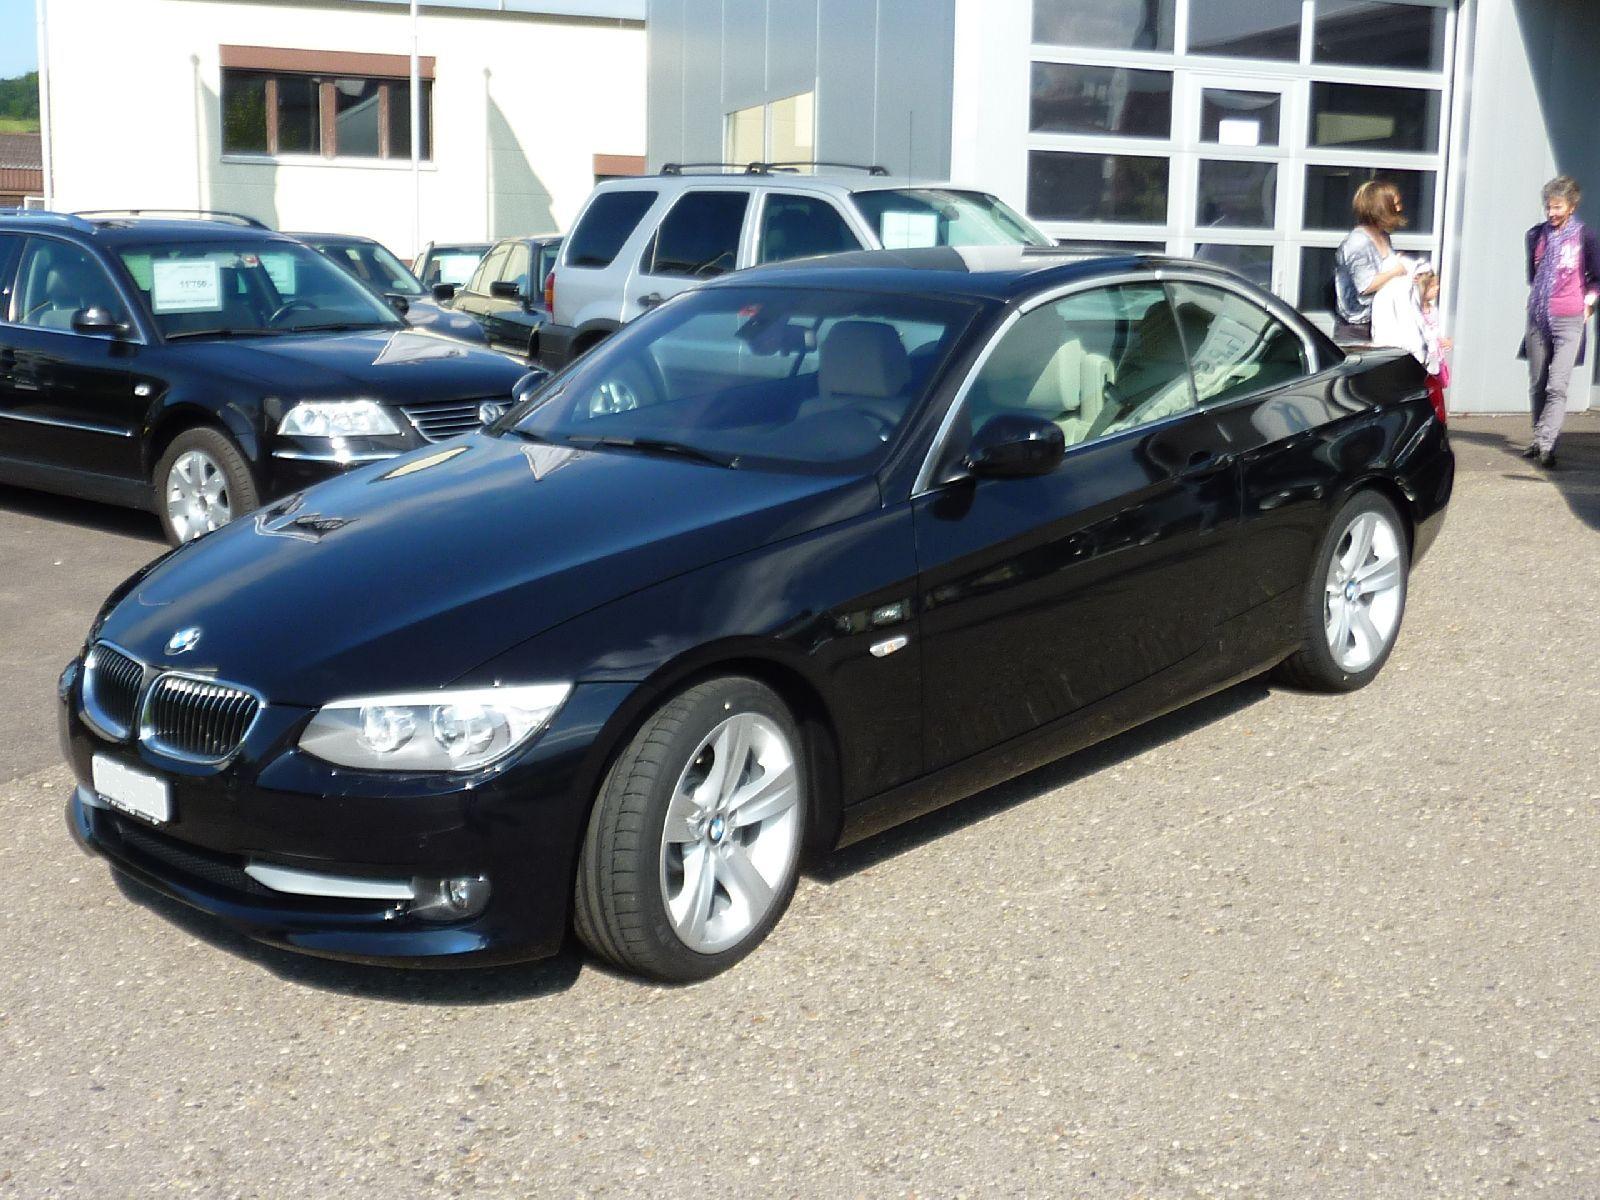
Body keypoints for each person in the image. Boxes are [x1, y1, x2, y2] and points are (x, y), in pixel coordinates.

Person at [1523, 175, 1600, 470]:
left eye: (1557, 207)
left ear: (1571, 206)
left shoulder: (1585, 237)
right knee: (1538, 384)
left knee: (1557, 385)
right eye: (1548, 207)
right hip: (1538, 316)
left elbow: (1597, 278)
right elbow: (1533, 277)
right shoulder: (1535, 235)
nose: (1551, 213)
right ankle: (1539, 437)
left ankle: (1546, 444)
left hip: (1569, 319)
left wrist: (1588, 302)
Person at [1333, 180, 1411, 343]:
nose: (1399, 208)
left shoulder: (1383, 235)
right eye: (1395, 204)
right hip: (1357, 330)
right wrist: (1395, 271)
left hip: (1381, 321)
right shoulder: (1358, 242)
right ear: (1380, 208)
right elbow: (1365, 286)